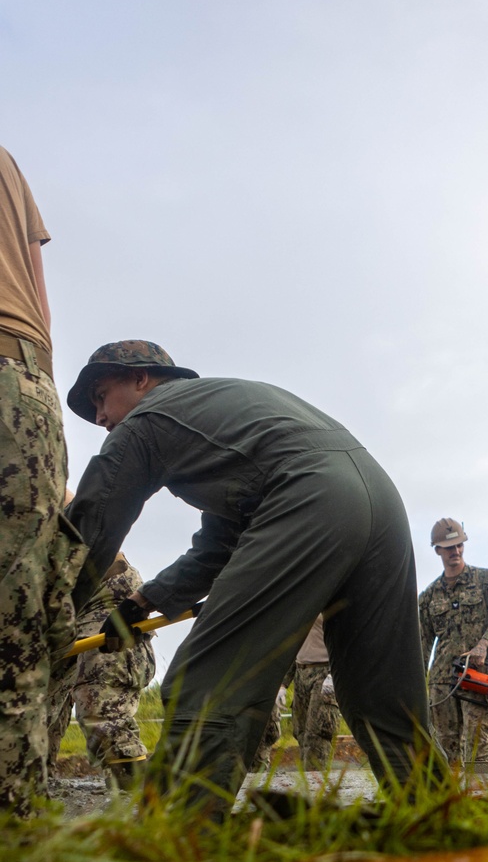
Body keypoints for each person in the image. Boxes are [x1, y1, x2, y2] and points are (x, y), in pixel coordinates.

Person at [65, 342, 430, 803]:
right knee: (382, 692)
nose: (99, 417)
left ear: (141, 378)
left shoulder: (148, 418)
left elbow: (92, 524)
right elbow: (220, 543)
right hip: (380, 501)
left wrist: (42, 618)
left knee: (212, 681)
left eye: (100, 396)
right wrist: (141, 603)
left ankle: (180, 839)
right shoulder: (225, 413)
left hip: (310, 497)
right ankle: (437, 814)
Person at [0, 146, 83, 809]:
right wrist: (42, 405)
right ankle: (16, 829)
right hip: (18, 372)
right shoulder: (5, 163)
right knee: (16, 615)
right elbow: (41, 300)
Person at [48, 550, 156, 785]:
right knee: (31, 706)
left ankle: (138, 793)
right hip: (44, 599)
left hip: (101, 589)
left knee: (100, 701)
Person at [419, 519, 488, 766]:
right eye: (449, 548)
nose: (455, 552)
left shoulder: (487, 580)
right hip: (442, 681)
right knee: (446, 749)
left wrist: (483, 645)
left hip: (476, 676)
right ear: (437, 549)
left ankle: (485, 801)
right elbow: (422, 644)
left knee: (477, 745)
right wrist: (416, 686)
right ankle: (452, 801)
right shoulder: (428, 596)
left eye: (459, 545)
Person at [292, 616, 340, 769]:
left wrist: (333, 674)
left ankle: (315, 785)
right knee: (300, 732)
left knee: (317, 735)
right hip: (301, 671)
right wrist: (282, 685)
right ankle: (308, 783)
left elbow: (343, 641)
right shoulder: (300, 605)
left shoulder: (327, 604)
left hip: (323, 672)